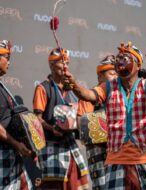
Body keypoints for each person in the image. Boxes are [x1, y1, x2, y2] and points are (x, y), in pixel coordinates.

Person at [64, 42, 146, 189]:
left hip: (144, 160)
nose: (121, 61)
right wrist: (74, 84)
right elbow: (86, 94)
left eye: (127, 58)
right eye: (120, 58)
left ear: (138, 65)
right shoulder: (108, 87)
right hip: (116, 160)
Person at [33, 47, 89, 190]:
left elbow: (80, 112)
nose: (65, 66)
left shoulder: (71, 89)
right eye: (61, 62)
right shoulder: (42, 88)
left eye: (67, 63)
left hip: (69, 144)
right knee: (54, 185)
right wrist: (52, 128)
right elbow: (37, 118)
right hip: (51, 145)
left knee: (76, 183)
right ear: (51, 65)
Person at [77, 54, 117, 190]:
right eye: (112, 74)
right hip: (99, 152)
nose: (116, 77)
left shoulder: (121, 97)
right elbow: (81, 125)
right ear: (100, 76)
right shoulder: (88, 97)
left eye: (117, 73)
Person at [0, 40, 33, 189]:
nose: (9, 63)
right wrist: (17, 144)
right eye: (7, 58)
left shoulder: (2, 86)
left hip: (9, 156)